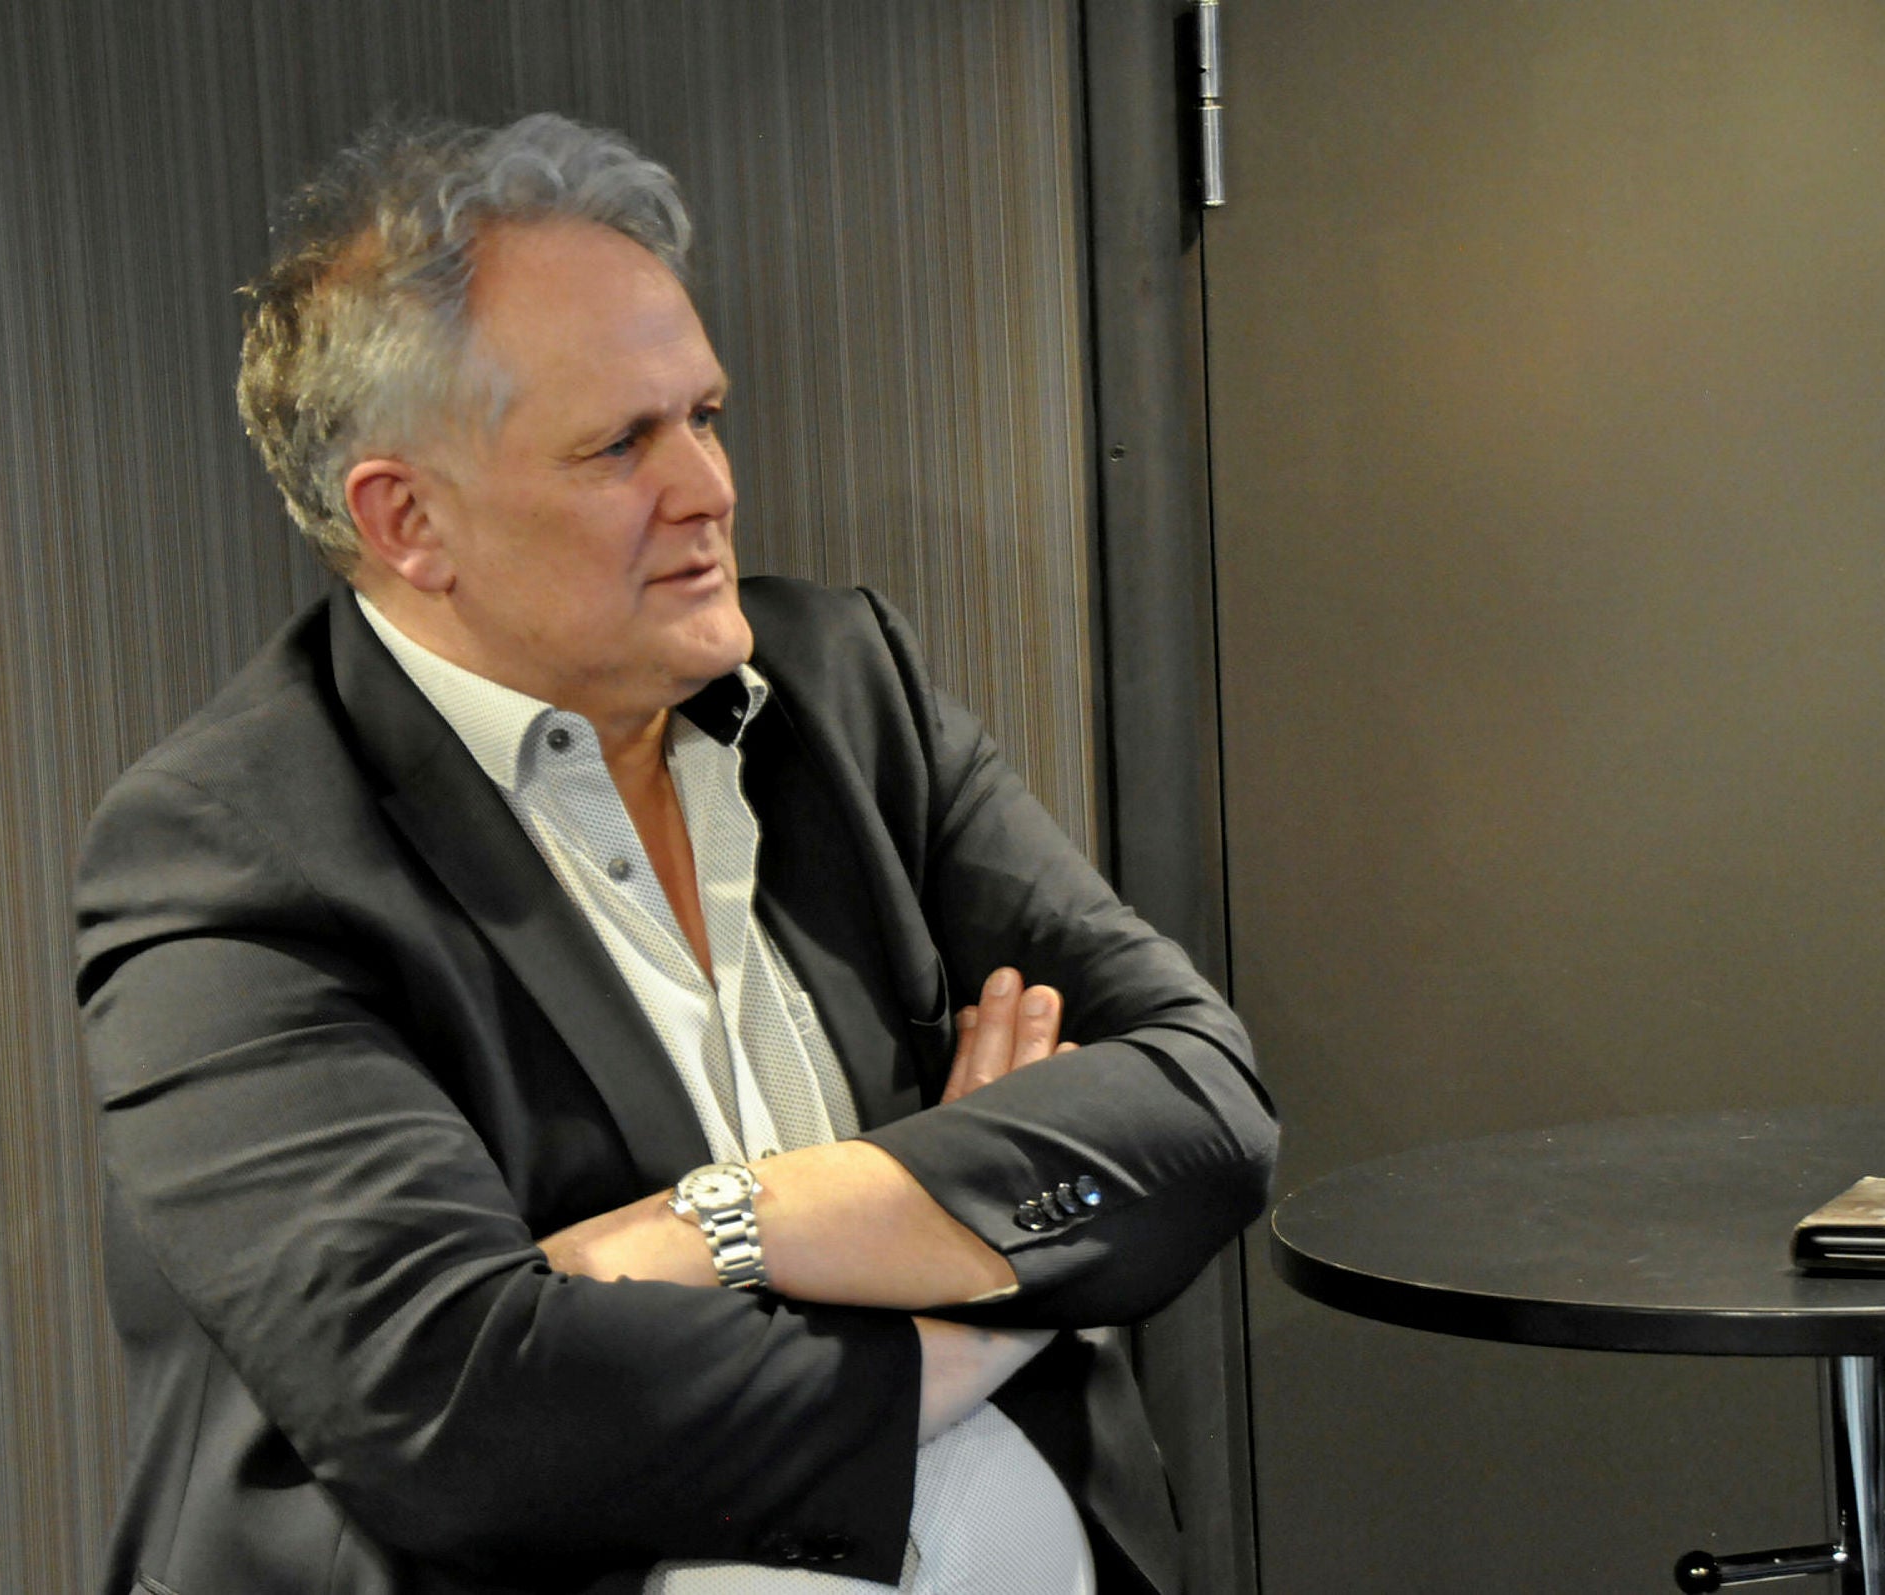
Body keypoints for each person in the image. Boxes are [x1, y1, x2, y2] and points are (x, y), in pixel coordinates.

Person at [75, 112, 1277, 1595]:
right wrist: (985, 1290)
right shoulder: (229, 855)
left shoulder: (846, 690)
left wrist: (732, 1222)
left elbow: (1204, 1105)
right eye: (619, 444)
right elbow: (462, 1409)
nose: (707, 486)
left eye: (704, 415)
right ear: (408, 520)